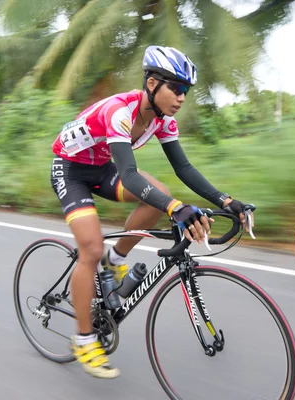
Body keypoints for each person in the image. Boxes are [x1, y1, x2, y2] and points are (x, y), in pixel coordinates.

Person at [50, 45, 252, 379]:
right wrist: (176, 209)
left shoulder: (162, 121)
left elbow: (183, 168)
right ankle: (84, 339)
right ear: (153, 84)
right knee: (90, 247)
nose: (182, 97)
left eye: (186, 90)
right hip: (70, 170)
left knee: (162, 195)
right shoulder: (120, 112)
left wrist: (225, 200)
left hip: (101, 168)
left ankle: (114, 262)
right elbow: (129, 175)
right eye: (177, 87)